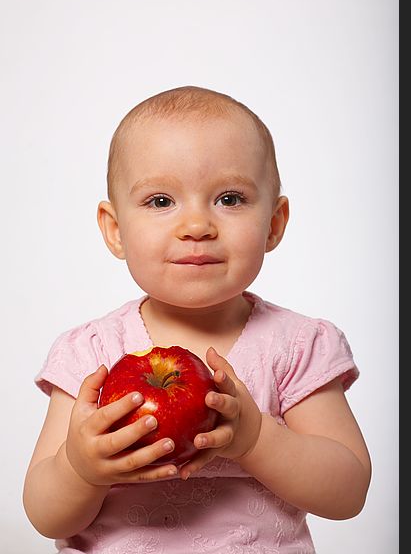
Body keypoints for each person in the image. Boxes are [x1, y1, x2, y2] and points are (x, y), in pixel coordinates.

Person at [23, 86, 371, 553]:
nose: (196, 226)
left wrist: (254, 437)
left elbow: (347, 492)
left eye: (229, 198)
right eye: (161, 201)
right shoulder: (91, 353)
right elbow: (45, 515)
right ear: (115, 229)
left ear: (274, 223)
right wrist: (80, 468)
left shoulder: (297, 344)